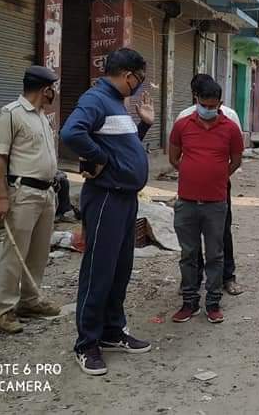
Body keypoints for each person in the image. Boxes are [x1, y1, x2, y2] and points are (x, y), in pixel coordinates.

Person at [60, 48, 155, 376]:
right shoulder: (96, 98)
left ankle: (113, 330)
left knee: (120, 268)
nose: (139, 85)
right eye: (139, 78)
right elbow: (71, 133)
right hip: (105, 199)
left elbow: (122, 147)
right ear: (127, 73)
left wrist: (143, 128)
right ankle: (87, 343)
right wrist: (97, 157)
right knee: (98, 270)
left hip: (125, 198)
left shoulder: (117, 103)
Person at [0, 65, 62, 334]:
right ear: (45, 89)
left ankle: (30, 301)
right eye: (52, 88)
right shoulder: (11, 114)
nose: (53, 92)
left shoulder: (43, 117)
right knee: (14, 253)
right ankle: (4, 309)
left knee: (39, 251)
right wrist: (1, 196)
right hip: (23, 193)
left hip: (46, 193)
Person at [169, 79, 244, 325]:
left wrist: (217, 176)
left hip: (216, 203)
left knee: (215, 254)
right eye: (204, 105)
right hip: (187, 202)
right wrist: (193, 174)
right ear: (196, 101)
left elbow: (236, 161)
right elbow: (173, 157)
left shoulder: (231, 128)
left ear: (220, 103)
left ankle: (212, 304)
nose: (208, 109)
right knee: (188, 254)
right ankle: (189, 302)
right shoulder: (182, 124)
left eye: (213, 106)